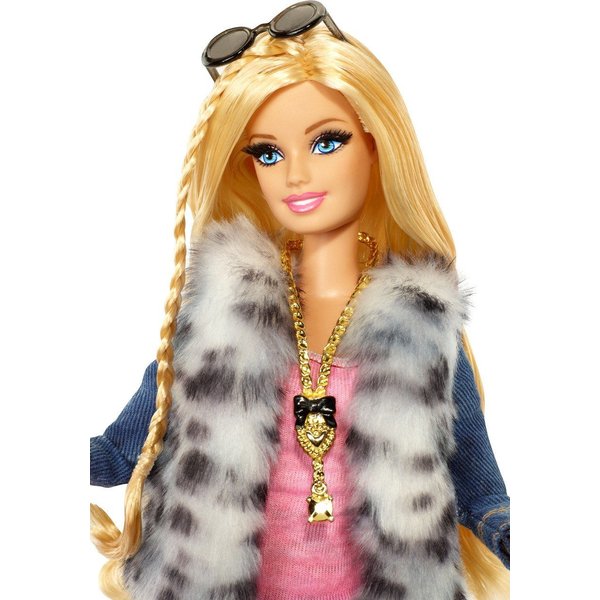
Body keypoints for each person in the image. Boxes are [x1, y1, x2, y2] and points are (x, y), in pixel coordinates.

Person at [90, 3, 510, 599]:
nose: (295, 176)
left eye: (326, 142)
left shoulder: (420, 323)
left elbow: (478, 486)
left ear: (376, 144)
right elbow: (123, 449)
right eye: (268, 153)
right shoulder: (219, 315)